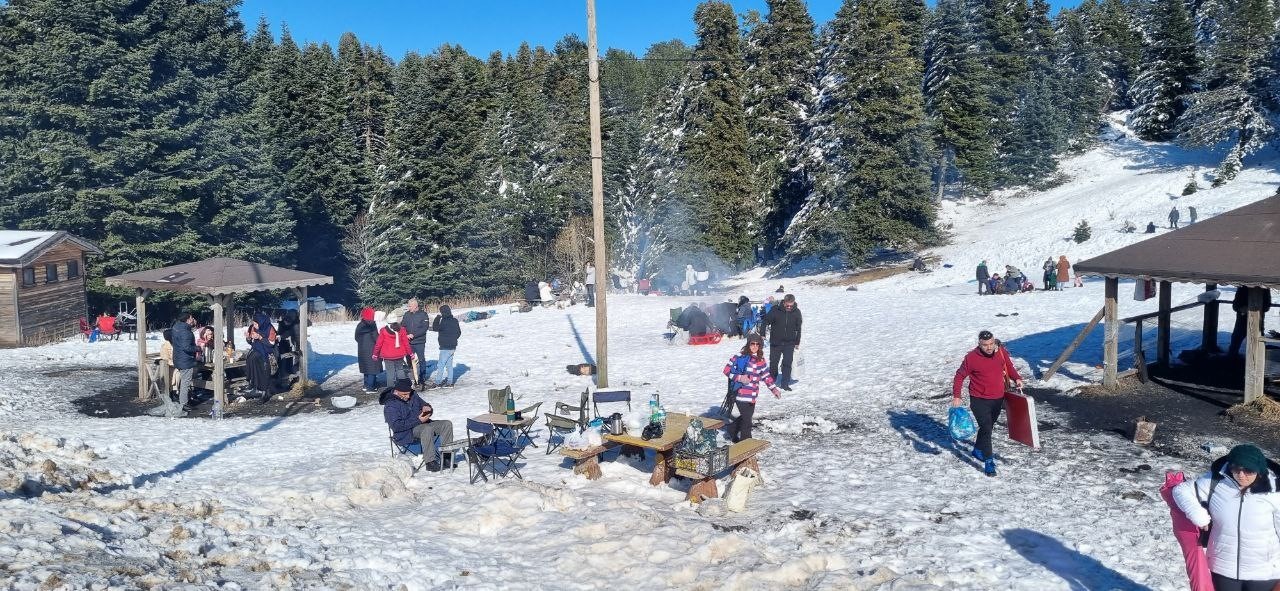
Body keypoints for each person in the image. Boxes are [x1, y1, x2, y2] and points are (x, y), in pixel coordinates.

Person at [1172, 444, 1280, 590]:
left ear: (1259, 470)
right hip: (1223, 566)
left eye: (1248, 470)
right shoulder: (1215, 481)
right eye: (1235, 468)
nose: (1241, 474)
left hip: (1264, 570)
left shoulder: (1275, 490)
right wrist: (1198, 515)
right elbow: (1181, 490)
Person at [951, 330, 1023, 476]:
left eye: (991, 344)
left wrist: (1017, 378)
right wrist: (957, 396)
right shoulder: (971, 358)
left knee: (987, 428)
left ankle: (977, 449)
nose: (989, 348)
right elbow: (959, 376)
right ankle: (989, 461)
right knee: (987, 428)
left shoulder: (1000, 351)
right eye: (985, 345)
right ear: (979, 344)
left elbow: (1008, 366)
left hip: (998, 398)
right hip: (979, 399)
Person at [381, 378, 455, 473]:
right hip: (406, 432)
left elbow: (425, 405)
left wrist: (428, 408)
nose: (408, 396)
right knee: (426, 428)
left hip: (422, 424)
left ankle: (446, 458)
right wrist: (418, 420)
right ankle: (430, 462)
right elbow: (396, 426)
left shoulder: (413, 395)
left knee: (446, 424)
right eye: (405, 394)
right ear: (397, 392)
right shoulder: (391, 405)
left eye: (409, 393)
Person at [722, 334, 781, 442]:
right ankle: (746, 443)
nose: (754, 346)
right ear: (748, 344)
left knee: (746, 418)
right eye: (752, 343)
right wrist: (740, 377)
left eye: (757, 344)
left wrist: (774, 389)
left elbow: (766, 376)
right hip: (740, 394)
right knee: (747, 421)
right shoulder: (739, 356)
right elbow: (726, 371)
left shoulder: (760, 360)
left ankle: (731, 429)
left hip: (752, 395)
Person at [762, 293, 802, 390]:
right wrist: (762, 334)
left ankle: (785, 383)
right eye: (787, 305)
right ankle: (772, 380)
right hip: (776, 342)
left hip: (790, 342)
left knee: (787, 363)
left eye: (791, 305)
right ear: (784, 302)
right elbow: (765, 321)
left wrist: (797, 342)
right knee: (774, 362)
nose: (789, 307)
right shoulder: (775, 310)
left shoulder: (796, 312)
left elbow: (798, 328)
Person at [1227, 287, 1273, 356]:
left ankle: (1259, 360)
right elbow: (1235, 305)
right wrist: (1242, 308)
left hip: (1257, 323)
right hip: (1242, 321)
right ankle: (1231, 360)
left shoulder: (1265, 288)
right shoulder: (1242, 287)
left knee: (1259, 345)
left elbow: (1267, 306)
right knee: (1235, 343)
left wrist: (1256, 309)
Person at [374, 310, 413, 385]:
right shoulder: (402, 329)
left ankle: (390, 390)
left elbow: (378, 344)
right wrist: (410, 353)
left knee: (390, 373)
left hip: (388, 355)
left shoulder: (383, 330)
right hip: (399, 354)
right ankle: (403, 387)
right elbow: (406, 343)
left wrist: (375, 354)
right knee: (400, 370)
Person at [170, 313, 198, 416]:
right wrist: (197, 348)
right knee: (185, 383)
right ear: (187, 320)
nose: (193, 319)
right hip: (185, 360)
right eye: (191, 318)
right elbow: (187, 347)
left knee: (184, 382)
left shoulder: (176, 327)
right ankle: (183, 404)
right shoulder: (186, 332)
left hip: (178, 358)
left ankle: (183, 400)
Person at [429, 304, 461, 388]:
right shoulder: (455, 320)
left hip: (445, 347)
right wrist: (453, 339)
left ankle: (437, 382)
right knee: (449, 365)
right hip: (453, 346)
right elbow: (459, 332)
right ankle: (450, 382)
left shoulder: (443, 321)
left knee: (441, 365)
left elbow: (435, 328)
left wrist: (437, 317)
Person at [402, 299, 430, 386]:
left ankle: (422, 377)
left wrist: (414, 335)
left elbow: (424, 328)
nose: (408, 308)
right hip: (409, 342)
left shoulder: (423, 315)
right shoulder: (406, 314)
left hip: (419, 341)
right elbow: (403, 326)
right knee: (409, 359)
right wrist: (406, 335)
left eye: (410, 306)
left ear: (415, 306)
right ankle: (412, 376)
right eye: (408, 306)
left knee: (421, 359)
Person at [355, 307, 381, 394]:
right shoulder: (372, 325)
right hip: (372, 349)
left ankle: (366, 385)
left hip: (362, 349)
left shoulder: (360, 325)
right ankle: (370, 387)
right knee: (372, 369)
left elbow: (356, 337)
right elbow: (376, 338)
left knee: (365, 367)